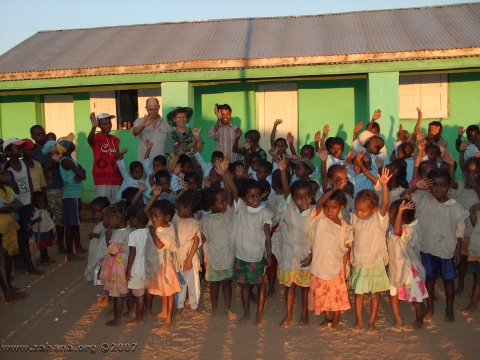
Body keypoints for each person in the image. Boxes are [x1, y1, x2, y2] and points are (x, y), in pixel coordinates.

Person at [401, 168, 470, 322]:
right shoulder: (423, 199)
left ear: (449, 185)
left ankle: (449, 309)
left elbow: (460, 230)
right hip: (427, 248)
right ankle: (430, 306)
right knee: (429, 279)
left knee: (448, 280)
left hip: (448, 250)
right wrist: (416, 186)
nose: (439, 189)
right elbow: (403, 196)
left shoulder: (455, 206)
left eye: (443, 185)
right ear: (429, 186)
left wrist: (458, 250)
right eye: (435, 185)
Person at [226, 157, 273, 326]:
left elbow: (267, 236)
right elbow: (232, 187)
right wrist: (225, 173)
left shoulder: (264, 213)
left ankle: (259, 314)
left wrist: (268, 255)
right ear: (243, 198)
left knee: (260, 286)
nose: (255, 199)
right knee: (244, 286)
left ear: (262, 196)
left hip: (257, 257)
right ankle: (246, 313)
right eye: (251, 196)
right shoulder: (240, 208)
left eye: (258, 195)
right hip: (241, 256)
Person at [273, 155, 315, 328]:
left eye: (307, 197)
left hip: (306, 256)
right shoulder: (289, 208)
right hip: (289, 256)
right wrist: (283, 171)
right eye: (299, 198)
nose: (304, 201)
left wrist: (312, 256)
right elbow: (286, 190)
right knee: (289, 287)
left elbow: (316, 238)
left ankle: (304, 314)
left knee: (305, 289)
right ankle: (289, 314)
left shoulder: (314, 214)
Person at [350, 169, 392, 334]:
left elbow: (385, 203)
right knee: (358, 293)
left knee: (375, 294)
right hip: (360, 262)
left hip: (375, 262)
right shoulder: (355, 220)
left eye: (363, 210)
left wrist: (384, 185)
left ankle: (372, 321)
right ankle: (359, 319)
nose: (359, 213)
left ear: (373, 210)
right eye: (357, 209)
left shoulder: (378, 219)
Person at [309, 181, 353, 330]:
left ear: (341, 207)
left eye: (333, 207)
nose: (329, 211)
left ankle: (336, 317)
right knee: (322, 294)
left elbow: (346, 249)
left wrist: (345, 268)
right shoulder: (320, 219)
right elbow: (320, 202)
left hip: (336, 267)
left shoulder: (345, 227)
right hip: (320, 264)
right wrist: (332, 189)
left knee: (335, 295)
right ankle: (327, 318)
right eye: (327, 207)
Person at [201, 162, 236, 320]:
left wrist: (224, 174)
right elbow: (205, 240)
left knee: (227, 283)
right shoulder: (206, 220)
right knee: (214, 284)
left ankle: (228, 308)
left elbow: (229, 191)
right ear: (211, 205)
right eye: (220, 202)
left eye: (224, 201)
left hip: (228, 255)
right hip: (214, 257)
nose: (224, 204)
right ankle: (214, 308)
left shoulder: (228, 213)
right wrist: (204, 259)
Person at [4, 138, 43, 275]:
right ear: (8, 151)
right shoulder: (7, 168)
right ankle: (23, 265)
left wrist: (31, 201)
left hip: (26, 204)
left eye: (21, 147)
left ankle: (26, 265)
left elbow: (30, 184)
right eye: (17, 148)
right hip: (15, 208)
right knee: (17, 237)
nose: (20, 150)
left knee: (25, 236)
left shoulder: (23, 164)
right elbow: (12, 188)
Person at [387, 199, 428, 331]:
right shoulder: (393, 229)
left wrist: (399, 212)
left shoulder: (410, 231)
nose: (389, 217)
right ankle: (397, 319)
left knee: (417, 299)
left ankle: (419, 321)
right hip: (395, 268)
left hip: (410, 270)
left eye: (393, 215)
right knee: (393, 293)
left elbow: (398, 232)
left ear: (403, 217)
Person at [144, 196, 181, 333]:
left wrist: (153, 232)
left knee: (169, 292)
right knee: (163, 292)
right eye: (152, 216)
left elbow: (159, 245)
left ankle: (169, 321)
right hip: (157, 265)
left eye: (156, 216)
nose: (153, 219)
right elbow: (146, 210)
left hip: (165, 267)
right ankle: (164, 311)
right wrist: (154, 196)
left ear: (166, 217)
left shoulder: (167, 231)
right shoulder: (158, 225)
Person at [30, 125, 66, 254]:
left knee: (60, 219)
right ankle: (45, 251)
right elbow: (38, 171)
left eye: (43, 133)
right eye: (38, 134)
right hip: (44, 190)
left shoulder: (52, 146)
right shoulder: (33, 152)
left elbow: (58, 161)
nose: (41, 136)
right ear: (32, 137)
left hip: (57, 185)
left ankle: (60, 245)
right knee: (44, 219)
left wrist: (50, 164)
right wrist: (49, 165)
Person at [0, 161, 30, 305]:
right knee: (2, 257)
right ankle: (8, 293)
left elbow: (18, 204)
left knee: (8, 257)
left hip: (9, 228)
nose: (6, 175)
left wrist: (9, 206)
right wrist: (10, 206)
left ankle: (8, 289)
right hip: (1, 230)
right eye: (2, 173)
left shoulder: (7, 189)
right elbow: (5, 208)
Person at [451, 157, 480, 294]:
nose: (470, 175)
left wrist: (476, 187)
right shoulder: (460, 184)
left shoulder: (478, 188)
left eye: (475, 172)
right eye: (468, 171)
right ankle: (461, 284)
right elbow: (450, 183)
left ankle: (475, 287)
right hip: (462, 231)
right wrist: (452, 165)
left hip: (475, 233)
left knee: (476, 264)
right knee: (462, 260)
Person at [99, 202, 131, 327]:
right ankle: (131, 311)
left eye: (110, 218)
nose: (108, 221)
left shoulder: (118, 234)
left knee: (117, 293)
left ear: (117, 218)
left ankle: (117, 319)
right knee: (125, 289)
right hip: (124, 263)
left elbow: (112, 251)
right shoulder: (128, 229)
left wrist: (108, 238)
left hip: (117, 267)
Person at [57, 134, 87, 261]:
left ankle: (77, 247)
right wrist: (80, 172)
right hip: (71, 195)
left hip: (74, 195)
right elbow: (83, 174)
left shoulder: (69, 160)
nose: (73, 143)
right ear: (67, 147)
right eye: (71, 142)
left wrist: (80, 172)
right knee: (71, 224)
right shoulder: (66, 161)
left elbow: (82, 172)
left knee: (75, 222)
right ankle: (70, 253)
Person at [174, 191, 202, 317]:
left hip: (190, 258)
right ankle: (179, 305)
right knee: (180, 283)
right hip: (179, 258)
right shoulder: (178, 219)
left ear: (188, 209)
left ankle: (194, 306)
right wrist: (184, 191)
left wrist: (189, 259)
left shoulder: (195, 223)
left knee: (193, 283)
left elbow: (196, 243)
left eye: (180, 208)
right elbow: (176, 201)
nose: (178, 210)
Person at [88, 112, 122, 204]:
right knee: (102, 205)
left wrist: (122, 176)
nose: (108, 125)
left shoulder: (115, 140)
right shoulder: (96, 137)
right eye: (104, 124)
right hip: (101, 179)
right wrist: (93, 127)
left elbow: (118, 159)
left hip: (116, 178)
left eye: (109, 123)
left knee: (115, 205)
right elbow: (90, 140)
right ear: (99, 125)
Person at [125, 204, 149, 326]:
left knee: (139, 294)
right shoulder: (148, 231)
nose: (129, 220)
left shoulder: (133, 235)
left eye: (131, 218)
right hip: (147, 265)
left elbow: (132, 254)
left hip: (137, 266)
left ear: (136, 219)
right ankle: (146, 311)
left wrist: (128, 269)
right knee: (145, 291)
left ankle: (139, 317)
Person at [164, 106, 203, 178]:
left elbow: (200, 149)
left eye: (184, 117)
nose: (182, 119)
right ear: (174, 119)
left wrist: (197, 137)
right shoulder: (171, 136)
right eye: (179, 117)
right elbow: (172, 158)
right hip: (180, 173)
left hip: (195, 171)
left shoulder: (193, 131)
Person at [131, 98, 172, 162]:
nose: (153, 112)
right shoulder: (140, 121)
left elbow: (170, 144)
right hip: (144, 165)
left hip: (161, 166)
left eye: (155, 109)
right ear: (146, 108)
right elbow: (134, 133)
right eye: (150, 109)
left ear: (159, 107)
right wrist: (142, 126)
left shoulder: (167, 123)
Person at [85, 197, 110, 284]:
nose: (96, 214)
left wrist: (96, 235)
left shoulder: (107, 223)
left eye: (99, 211)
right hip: (98, 249)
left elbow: (107, 236)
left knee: (100, 263)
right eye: (93, 211)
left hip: (103, 252)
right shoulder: (100, 223)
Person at [31, 191, 56, 265]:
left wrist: (51, 213)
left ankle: (43, 257)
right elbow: (30, 222)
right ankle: (46, 258)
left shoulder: (44, 209)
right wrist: (36, 220)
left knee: (46, 244)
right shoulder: (33, 212)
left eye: (44, 202)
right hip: (39, 232)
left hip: (47, 230)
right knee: (42, 246)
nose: (43, 204)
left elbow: (49, 217)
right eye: (40, 202)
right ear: (35, 203)